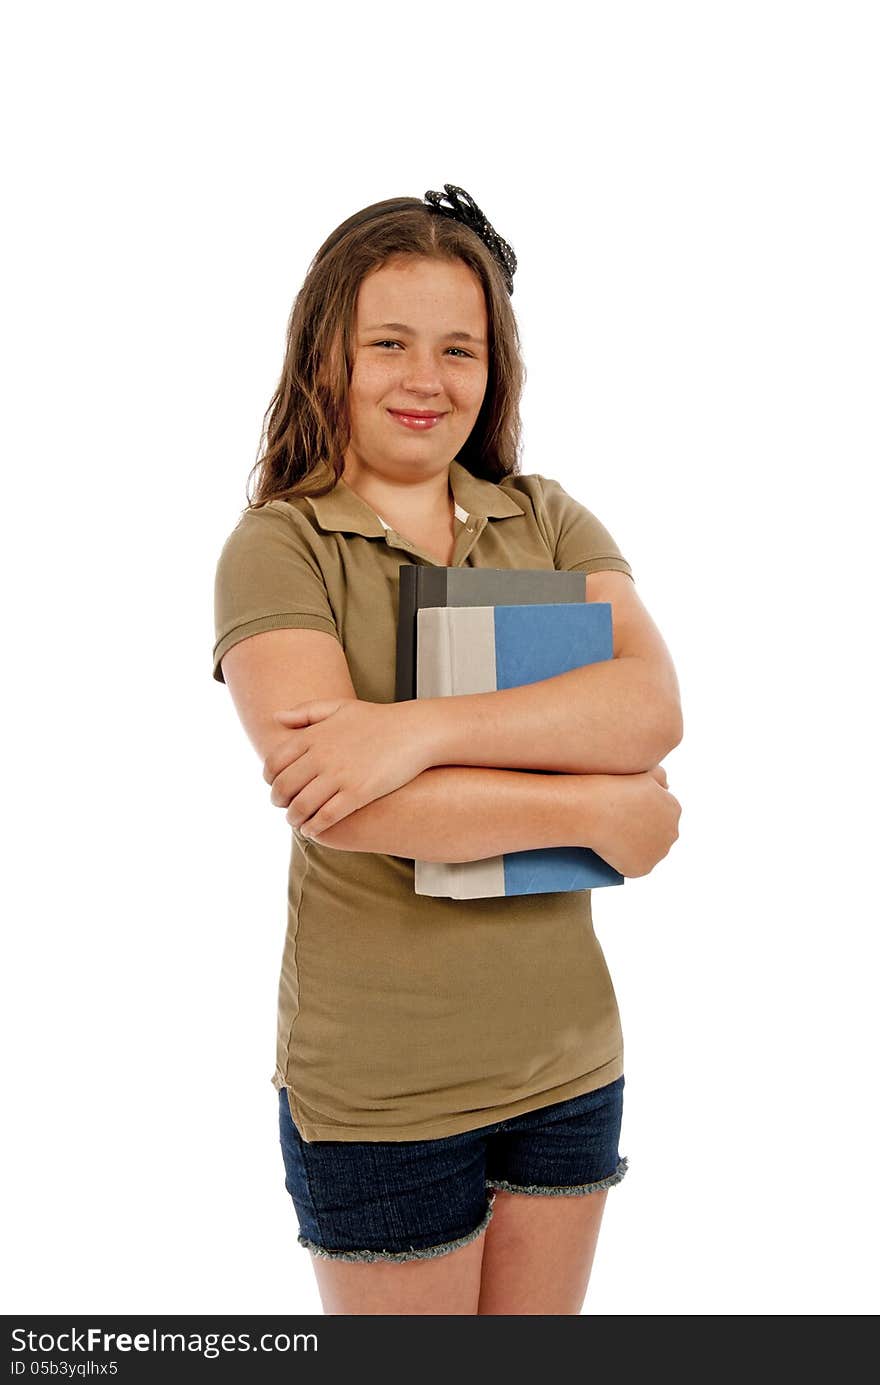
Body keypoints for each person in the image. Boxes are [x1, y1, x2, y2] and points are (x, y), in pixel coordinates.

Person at [212, 184, 683, 1315]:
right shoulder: (276, 548)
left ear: (494, 366)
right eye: (389, 342)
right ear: (326, 352)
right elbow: (342, 801)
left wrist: (413, 727)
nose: (426, 378)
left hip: (568, 1062)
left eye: (458, 348)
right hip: (383, 1090)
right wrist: (590, 808)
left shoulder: (549, 517)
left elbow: (648, 704)